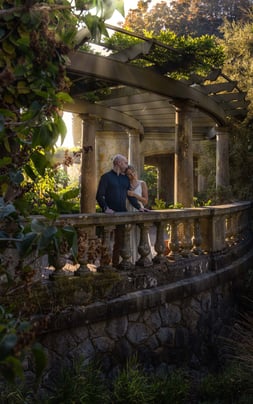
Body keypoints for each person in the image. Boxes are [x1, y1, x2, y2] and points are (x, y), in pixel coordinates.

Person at [96, 154, 143, 266]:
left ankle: (116, 265)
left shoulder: (125, 179)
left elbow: (130, 196)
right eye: (125, 163)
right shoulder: (106, 177)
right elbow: (99, 195)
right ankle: (104, 265)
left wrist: (139, 207)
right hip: (109, 215)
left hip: (122, 213)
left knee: (120, 242)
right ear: (118, 163)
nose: (127, 165)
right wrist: (105, 208)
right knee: (106, 241)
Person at [126, 165, 152, 264]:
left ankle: (142, 258)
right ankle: (129, 259)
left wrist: (135, 195)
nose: (132, 175)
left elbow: (145, 201)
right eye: (129, 174)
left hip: (139, 209)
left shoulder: (142, 183)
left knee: (140, 233)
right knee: (129, 234)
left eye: (133, 172)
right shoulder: (126, 184)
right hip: (128, 210)